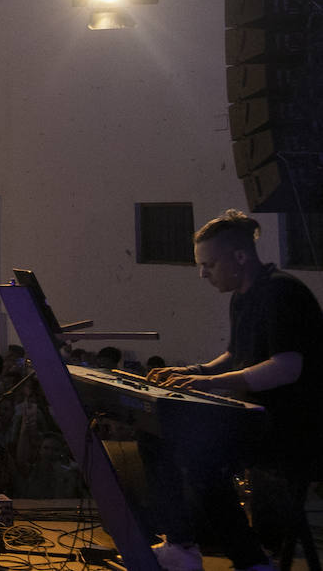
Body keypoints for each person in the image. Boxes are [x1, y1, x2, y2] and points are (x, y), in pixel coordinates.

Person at [144, 210, 323, 571]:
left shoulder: (281, 293)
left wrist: (209, 383)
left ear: (239, 257)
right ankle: (180, 544)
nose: (203, 274)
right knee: (154, 434)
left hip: (293, 428)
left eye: (208, 265)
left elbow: (287, 367)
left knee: (199, 453)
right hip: (258, 419)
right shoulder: (244, 294)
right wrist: (194, 371)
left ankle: (251, 561)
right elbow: (237, 355)